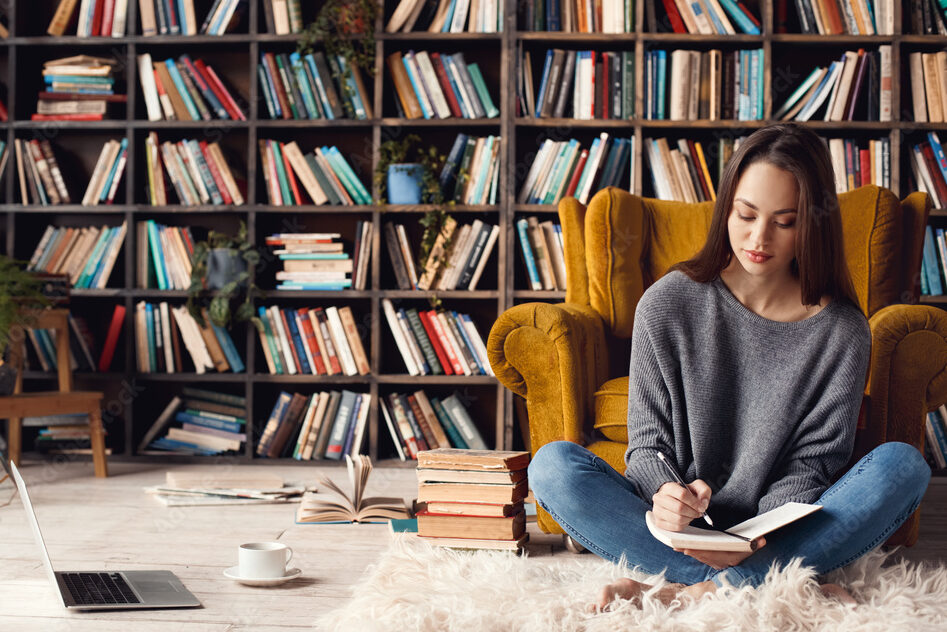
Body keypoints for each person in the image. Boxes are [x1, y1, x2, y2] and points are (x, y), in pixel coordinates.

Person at [527, 122, 932, 610]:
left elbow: (813, 464)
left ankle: (691, 591)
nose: (759, 238)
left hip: (778, 529)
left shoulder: (842, 331)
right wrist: (667, 494)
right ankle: (778, 581)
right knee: (552, 467)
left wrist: (765, 531)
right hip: (676, 530)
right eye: (745, 214)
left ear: (813, 225)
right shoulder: (667, 303)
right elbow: (648, 444)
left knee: (903, 466)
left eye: (785, 221)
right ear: (727, 210)